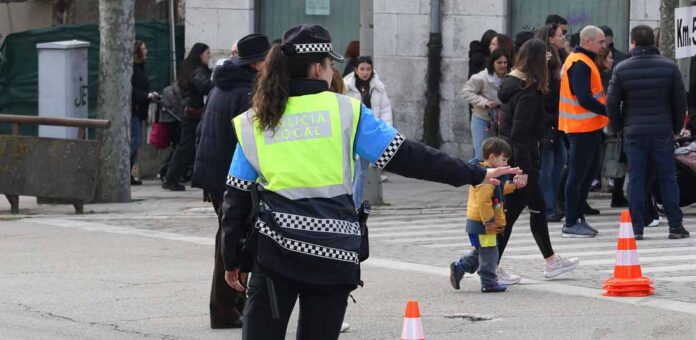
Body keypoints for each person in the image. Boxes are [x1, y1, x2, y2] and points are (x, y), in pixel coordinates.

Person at [220, 24, 521, 340]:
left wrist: (232, 259)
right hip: (332, 253)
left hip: (274, 254)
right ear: (317, 67)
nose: (333, 70)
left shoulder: (256, 119)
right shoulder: (345, 111)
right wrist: (475, 174)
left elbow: (236, 197)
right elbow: (409, 156)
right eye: (330, 63)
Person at [192, 33, 270, 329]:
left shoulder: (222, 85)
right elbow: (250, 142)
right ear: (257, 64)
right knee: (233, 241)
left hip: (214, 174)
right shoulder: (246, 93)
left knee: (230, 239)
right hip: (230, 177)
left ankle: (233, 306)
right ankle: (225, 310)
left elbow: (203, 131)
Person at [496, 39, 579, 280]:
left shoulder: (512, 84)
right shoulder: (528, 92)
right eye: (545, 57)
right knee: (509, 216)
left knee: (538, 209)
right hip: (522, 159)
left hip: (516, 156)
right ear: (535, 61)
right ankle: (485, 265)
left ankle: (551, 261)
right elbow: (521, 133)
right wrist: (521, 170)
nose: (549, 59)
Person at [606, 25, 689, 240]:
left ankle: (637, 227)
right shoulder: (669, 67)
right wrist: (677, 127)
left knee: (636, 179)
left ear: (633, 42)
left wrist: (617, 127)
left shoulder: (622, 68)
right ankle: (675, 225)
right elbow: (680, 101)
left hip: (633, 131)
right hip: (662, 129)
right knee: (668, 177)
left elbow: (612, 102)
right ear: (654, 42)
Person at [450, 137, 526, 293]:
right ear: (492, 157)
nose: (506, 164)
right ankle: (488, 281)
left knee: (482, 251)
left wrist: (514, 185)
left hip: (481, 222)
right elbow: (483, 202)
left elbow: (498, 191)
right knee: (490, 252)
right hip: (483, 223)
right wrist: (489, 221)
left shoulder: (487, 175)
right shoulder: (484, 178)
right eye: (503, 159)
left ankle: (460, 267)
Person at [559, 26, 608, 238]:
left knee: (588, 173)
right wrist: (610, 111)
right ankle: (571, 222)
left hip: (590, 127)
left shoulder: (584, 60)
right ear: (587, 41)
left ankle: (578, 217)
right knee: (578, 175)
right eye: (600, 42)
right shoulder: (579, 62)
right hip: (581, 129)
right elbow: (584, 98)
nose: (604, 46)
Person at [344, 55, 393, 207]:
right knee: (349, 171)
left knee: (361, 172)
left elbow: (385, 110)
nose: (365, 72)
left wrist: (386, 133)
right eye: (362, 69)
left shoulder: (378, 88)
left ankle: (356, 205)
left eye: (368, 69)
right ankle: (349, 203)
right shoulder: (346, 87)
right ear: (356, 70)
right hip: (350, 133)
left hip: (369, 134)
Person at [162, 43, 212, 191]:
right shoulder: (197, 71)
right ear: (200, 55)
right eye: (207, 54)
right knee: (186, 146)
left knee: (187, 146)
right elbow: (205, 86)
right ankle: (171, 178)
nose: (209, 57)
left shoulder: (191, 69)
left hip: (192, 111)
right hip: (193, 112)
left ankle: (173, 176)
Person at [537, 24, 566, 223]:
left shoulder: (560, 56)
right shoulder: (543, 62)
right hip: (546, 124)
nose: (563, 37)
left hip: (557, 123)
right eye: (560, 34)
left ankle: (552, 203)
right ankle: (545, 206)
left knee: (559, 163)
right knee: (547, 167)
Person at [462, 48, 509, 160]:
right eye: (499, 62)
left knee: (498, 156)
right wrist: (485, 102)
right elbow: (466, 92)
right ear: (492, 63)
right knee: (481, 155)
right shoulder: (481, 77)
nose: (503, 65)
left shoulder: (509, 77)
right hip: (482, 119)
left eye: (505, 62)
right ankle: (466, 174)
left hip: (501, 120)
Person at [130, 40, 157, 186]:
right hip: (134, 110)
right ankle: (123, 169)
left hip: (139, 110)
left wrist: (149, 94)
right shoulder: (133, 68)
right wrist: (146, 95)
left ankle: (128, 174)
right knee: (136, 140)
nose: (146, 51)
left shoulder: (139, 67)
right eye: (144, 48)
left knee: (136, 140)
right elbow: (132, 91)